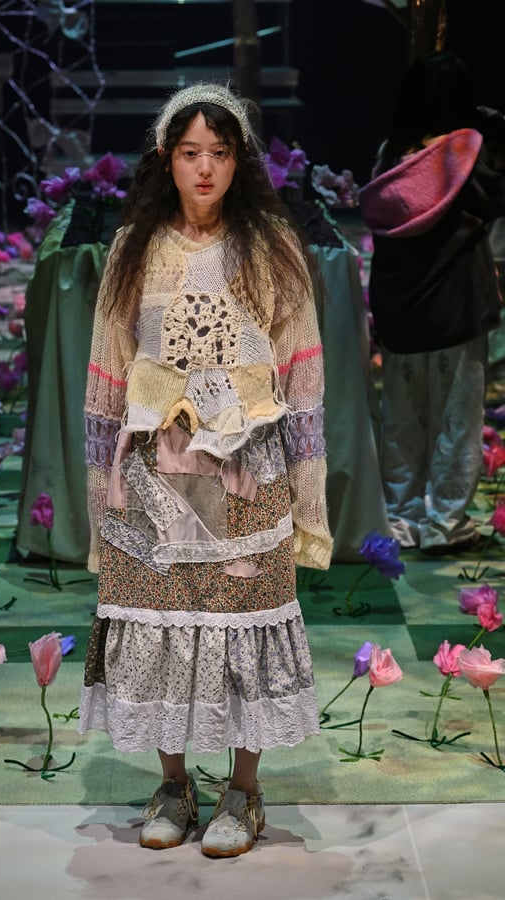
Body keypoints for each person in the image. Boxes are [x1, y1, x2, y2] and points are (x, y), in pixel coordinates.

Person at [78, 82, 333, 858]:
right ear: (167, 158)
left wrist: (309, 500)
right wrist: (99, 497)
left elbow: (303, 376)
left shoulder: (273, 246)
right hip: (155, 471)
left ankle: (244, 791)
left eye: (219, 153)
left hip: (245, 468)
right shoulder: (135, 247)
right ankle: (173, 784)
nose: (204, 169)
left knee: (242, 620)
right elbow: (107, 376)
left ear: (239, 160)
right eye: (190, 153)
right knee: (160, 619)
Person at [359, 51, 505, 555]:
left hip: (402, 310)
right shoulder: (465, 157)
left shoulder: (390, 156)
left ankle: (402, 519)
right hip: (456, 307)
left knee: (402, 420)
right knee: (456, 421)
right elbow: (497, 198)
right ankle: (445, 524)